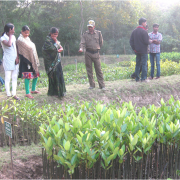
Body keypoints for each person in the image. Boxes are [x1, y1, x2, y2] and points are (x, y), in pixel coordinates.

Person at [78, 20, 105, 90]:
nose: (89, 28)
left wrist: (97, 48)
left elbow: (101, 42)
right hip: (88, 54)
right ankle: (92, 85)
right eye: (88, 27)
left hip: (96, 53)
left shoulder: (98, 33)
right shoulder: (85, 34)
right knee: (89, 70)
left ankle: (102, 86)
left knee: (98, 70)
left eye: (91, 27)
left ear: (94, 27)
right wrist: (81, 48)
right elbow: (82, 43)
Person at [16, 25, 40, 99]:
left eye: (28, 33)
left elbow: (31, 48)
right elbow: (27, 49)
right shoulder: (19, 40)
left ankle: (33, 90)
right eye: (25, 33)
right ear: (22, 31)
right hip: (25, 60)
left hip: (33, 60)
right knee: (27, 76)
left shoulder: (28, 39)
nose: (27, 34)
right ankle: (27, 93)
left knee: (36, 74)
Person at [42, 27, 66, 97]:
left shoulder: (56, 40)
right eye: (54, 34)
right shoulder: (48, 41)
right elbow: (52, 49)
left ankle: (59, 92)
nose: (55, 36)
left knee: (58, 75)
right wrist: (56, 45)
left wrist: (59, 47)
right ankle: (53, 92)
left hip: (57, 61)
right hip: (50, 63)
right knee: (53, 76)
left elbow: (60, 48)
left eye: (56, 34)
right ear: (51, 33)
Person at [0, 23, 20, 100]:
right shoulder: (2, 38)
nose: (14, 31)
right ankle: (8, 94)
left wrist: (17, 57)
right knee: (8, 78)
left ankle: (14, 94)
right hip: (8, 60)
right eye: (12, 29)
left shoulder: (14, 37)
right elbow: (9, 44)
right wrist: (10, 35)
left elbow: (16, 47)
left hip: (15, 59)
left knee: (14, 77)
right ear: (9, 30)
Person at [130, 18, 149, 82]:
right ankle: (143, 78)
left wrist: (134, 49)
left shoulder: (134, 31)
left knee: (137, 64)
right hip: (144, 51)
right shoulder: (144, 31)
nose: (146, 24)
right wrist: (150, 41)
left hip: (137, 51)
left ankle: (137, 78)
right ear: (142, 23)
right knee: (144, 64)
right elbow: (146, 42)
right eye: (145, 23)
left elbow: (131, 41)